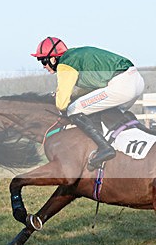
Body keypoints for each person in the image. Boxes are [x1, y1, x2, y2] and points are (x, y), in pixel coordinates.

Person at [32, 36, 145, 169]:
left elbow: (61, 104)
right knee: (104, 112)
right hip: (136, 80)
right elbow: (89, 89)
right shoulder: (76, 56)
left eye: (42, 60)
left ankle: (104, 148)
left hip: (121, 85)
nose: (43, 66)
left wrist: (58, 101)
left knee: (73, 110)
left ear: (53, 58)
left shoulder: (65, 64)